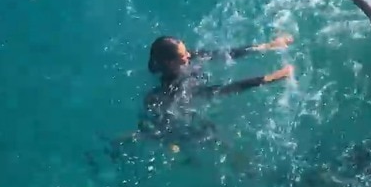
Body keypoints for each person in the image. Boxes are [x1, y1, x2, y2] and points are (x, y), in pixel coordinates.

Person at [110, 34, 295, 158]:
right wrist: (269, 78)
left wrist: (268, 46)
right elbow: (225, 89)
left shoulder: (186, 58)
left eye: (186, 51)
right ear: (170, 62)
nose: (189, 55)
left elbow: (227, 54)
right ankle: (140, 138)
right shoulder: (178, 88)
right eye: (183, 56)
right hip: (174, 116)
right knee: (207, 136)